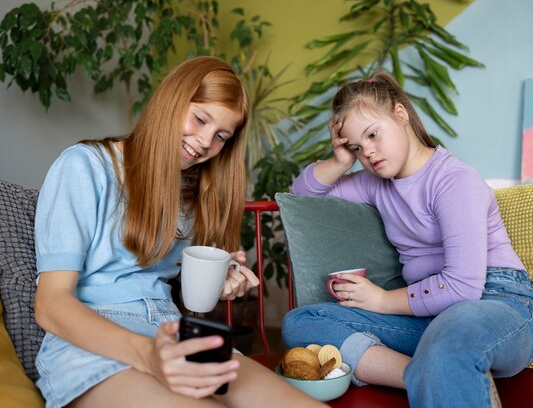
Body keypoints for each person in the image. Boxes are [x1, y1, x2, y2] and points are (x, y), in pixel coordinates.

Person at [34, 56, 327, 408]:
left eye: (221, 136)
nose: (205, 143)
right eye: (200, 119)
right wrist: (148, 354)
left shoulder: (188, 193)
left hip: (173, 330)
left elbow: (171, 288)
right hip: (93, 342)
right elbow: (51, 304)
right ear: (172, 100)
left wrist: (217, 280)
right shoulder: (83, 166)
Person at [281, 71, 533, 408]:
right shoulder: (375, 182)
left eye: (374, 135)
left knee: (450, 338)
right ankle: (424, 373)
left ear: (401, 114)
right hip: (428, 316)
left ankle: (441, 366)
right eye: (358, 147)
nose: (369, 153)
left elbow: (464, 287)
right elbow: (304, 194)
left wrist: (380, 301)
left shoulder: (454, 181)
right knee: (302, 322)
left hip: (496, 303)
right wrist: (339, 161)